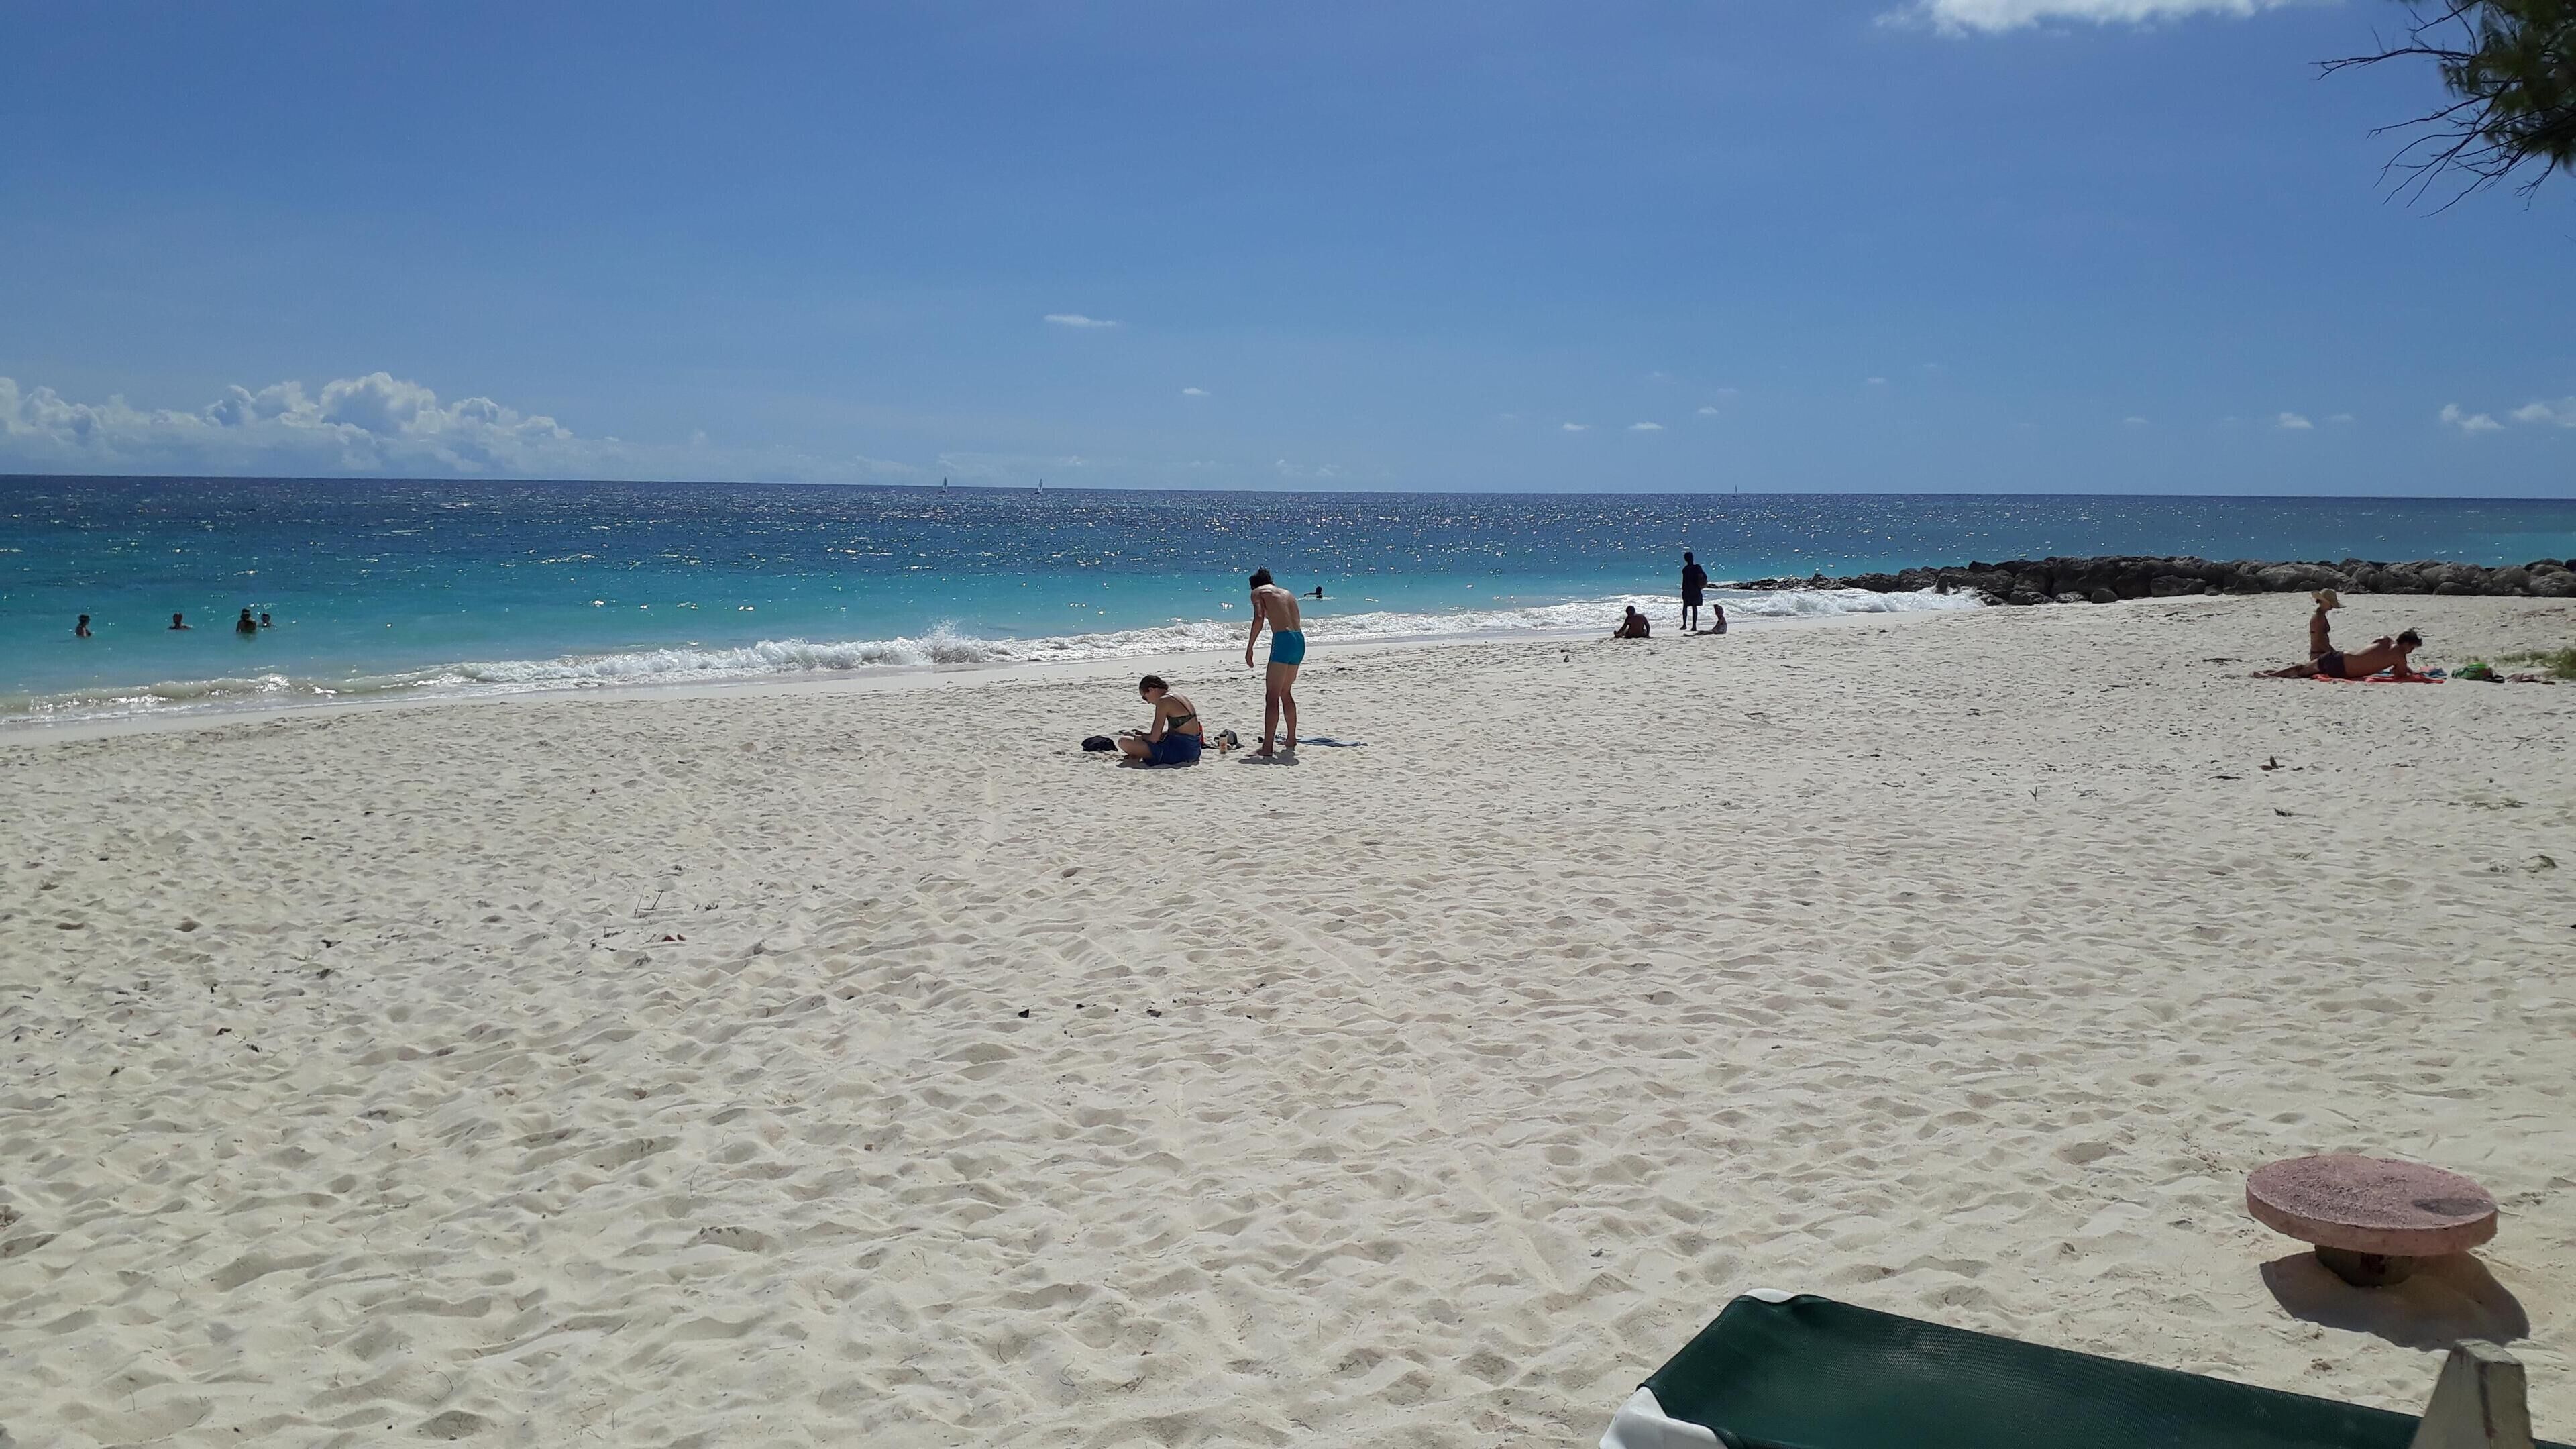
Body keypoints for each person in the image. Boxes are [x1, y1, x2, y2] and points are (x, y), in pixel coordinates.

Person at [1244, 568, 1303, 762]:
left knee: (1272, 696)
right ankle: (1291, 738)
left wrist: (1250, 647)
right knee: (1285, 692)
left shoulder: (1258, 592)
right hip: (1299, 640)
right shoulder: (1288, 594)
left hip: (1283, 640)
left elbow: (1259, 618)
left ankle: (1267, 747)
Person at [2269, 627, 2424, 680]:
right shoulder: (2400, 657)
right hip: (2343, 672)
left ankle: (2272, 673)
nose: (2410, 652)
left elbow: (2369, 652)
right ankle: (2272, 674)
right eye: (2412, 648)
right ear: (2407, 644)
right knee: (2305, 672)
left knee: (2303, 670)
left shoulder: (2384, 640)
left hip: (2340, 657)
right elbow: (2399, 674)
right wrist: (2408, 669)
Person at [1117, 674, 1205, 765]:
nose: (1148, 702)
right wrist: (1142, 735)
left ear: (1151, 689)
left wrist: (1141, 737)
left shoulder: (1163, 701)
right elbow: (1176, 731)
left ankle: (1137, 755)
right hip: (1194, 750)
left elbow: (1153, 739)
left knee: (1123, 742)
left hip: (1181, 753)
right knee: (1136, 741)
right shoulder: (1177, 696)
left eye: (1145, 698)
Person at [2307, 590, 2340, 663]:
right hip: (2319, 655)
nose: (2332, 606)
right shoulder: (2319, 618)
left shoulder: (2321, 616)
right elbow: (2319, 640)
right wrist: (2332, 654)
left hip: (2322, 653)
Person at [1681, 551, 1709, 632]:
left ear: (1685, 560)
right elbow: (1705, 576)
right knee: (1694, 607)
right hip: (1696, 589)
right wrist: (1701, 584)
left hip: (1687, 590)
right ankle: (1694, 626)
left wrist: (1683, 589)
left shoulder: (1685, 569)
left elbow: (1684, 581)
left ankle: (1685, 624)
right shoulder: (1697, 567)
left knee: (1685, 607)